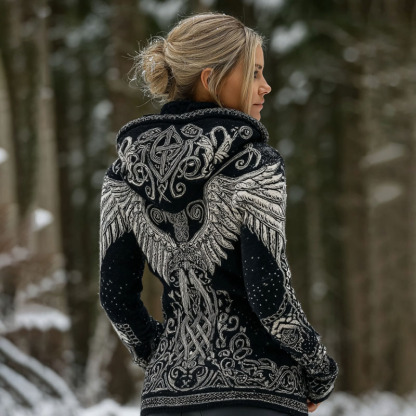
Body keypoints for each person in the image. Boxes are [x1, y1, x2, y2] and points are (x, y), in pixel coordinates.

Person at [99, 12, 338, 416]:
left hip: (166, 399)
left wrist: (162, 358)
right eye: (255, 72)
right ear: (211, 79)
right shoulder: (254, 164)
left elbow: (115, 297)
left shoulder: (124, 170)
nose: (266, 85)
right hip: (257, 397)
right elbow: (269, 295)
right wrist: (319, 370)